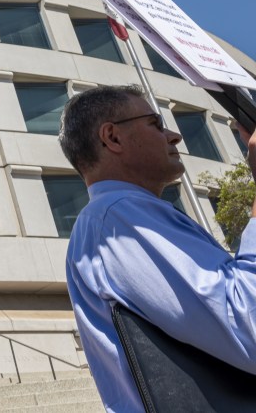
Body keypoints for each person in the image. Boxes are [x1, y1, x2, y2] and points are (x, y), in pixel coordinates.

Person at [59, 84, 256, 412]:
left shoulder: (114, 217)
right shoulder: (120, 216)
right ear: (113, 137)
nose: (174, 135)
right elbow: (248, 326)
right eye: (155, 124)